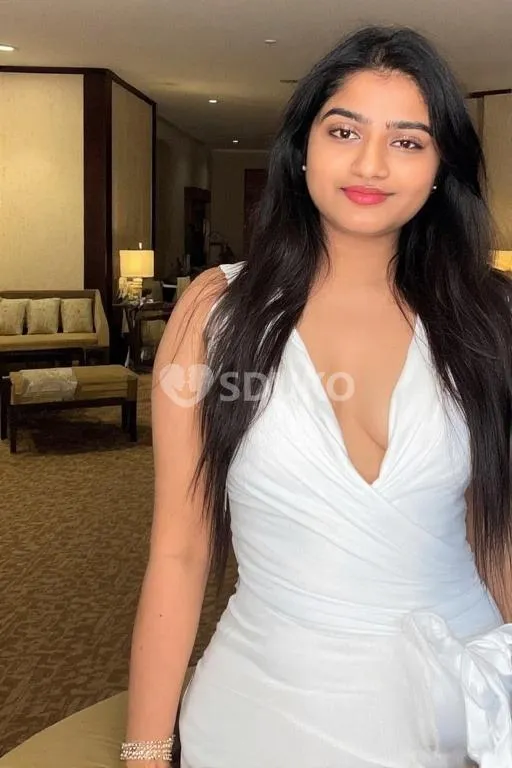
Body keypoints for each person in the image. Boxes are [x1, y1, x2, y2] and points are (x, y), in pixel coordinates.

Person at [121, 25, 512, 768]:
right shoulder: (216, 313)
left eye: (407, 141)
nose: (371, 163)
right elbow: (180, 549)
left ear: (441, 169)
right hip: (263, 715)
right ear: (302, 148)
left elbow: (496, 533)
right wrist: (144, 753)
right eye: (345, 130)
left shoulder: (491, 316)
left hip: (462, 712)